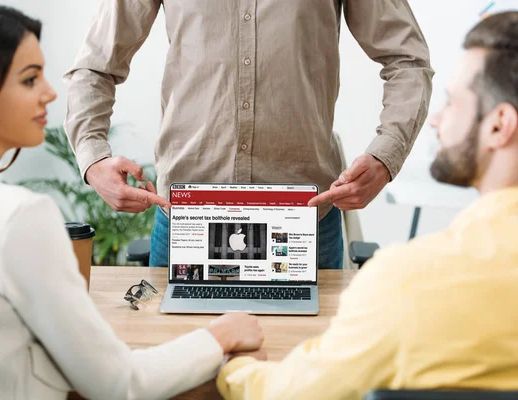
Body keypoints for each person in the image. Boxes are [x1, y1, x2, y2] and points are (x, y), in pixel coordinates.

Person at [0, 6, 264, 400]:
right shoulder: (18, 217)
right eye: (30, 79)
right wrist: (221, 334)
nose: (50, 92)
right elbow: (120, 385)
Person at [216, 11, 518, 399]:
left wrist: (234, 365)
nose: (436, 119)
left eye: (452, 101)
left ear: (498, 125)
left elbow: (292, 394)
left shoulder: (407, 285)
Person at [63, 0, 434, 269]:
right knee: (180, 371)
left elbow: (408, 61)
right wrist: (93, 157)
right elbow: (94, 67)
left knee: (304, 373)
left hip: (304, 225)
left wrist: (386, 155)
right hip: (187, 219)